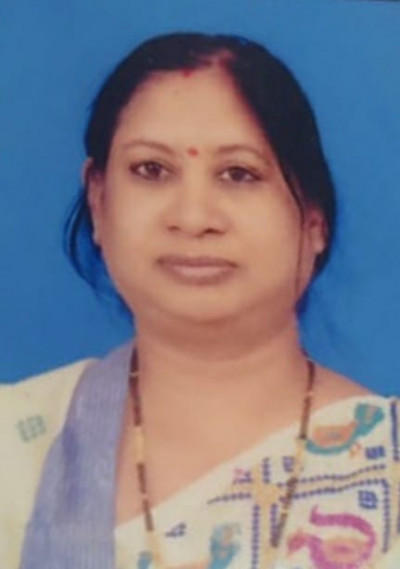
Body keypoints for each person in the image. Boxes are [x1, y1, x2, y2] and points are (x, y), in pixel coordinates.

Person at [1, 31, 399, 569]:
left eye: (239, 174)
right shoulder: (15, 447)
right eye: (151, 170)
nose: (192, 217)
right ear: (98, 200)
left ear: (313, 220)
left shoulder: (388, 470)